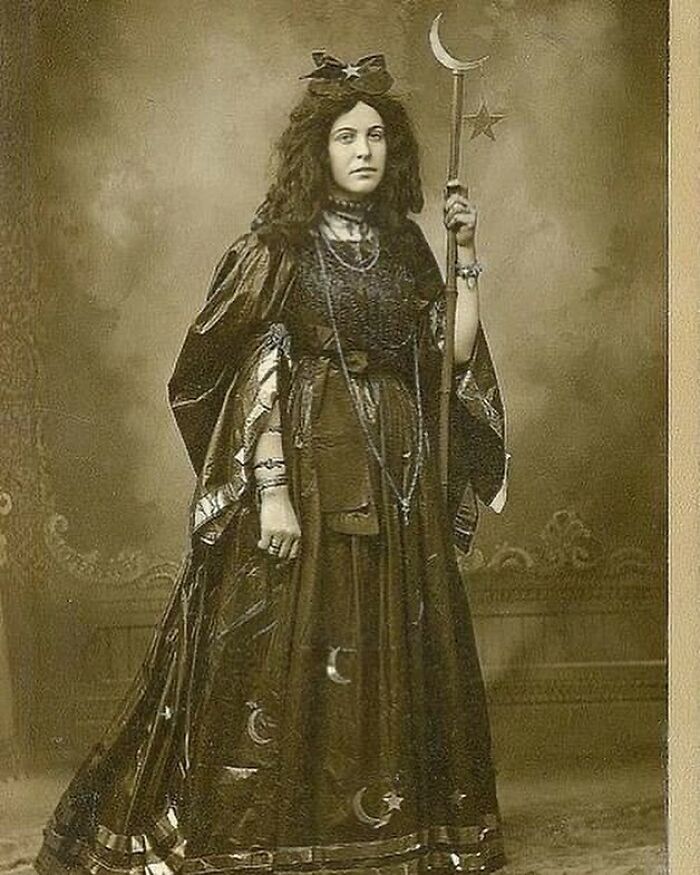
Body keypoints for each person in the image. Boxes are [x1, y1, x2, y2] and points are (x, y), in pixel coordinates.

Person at [36, 52, 508, 875]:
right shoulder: (274, 248)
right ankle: (279, 828)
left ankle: (380, 829)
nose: (365, 151)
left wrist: (465, 250)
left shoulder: (405, 246)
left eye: (377, 138)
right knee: (287, 642)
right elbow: (239, 365)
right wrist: (273, 491)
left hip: (396, 475)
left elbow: (450, 352)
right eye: (346, 137)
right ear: (315, 151)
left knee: (388, 633)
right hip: (305, 469)